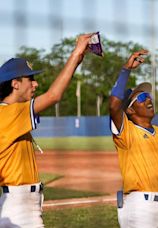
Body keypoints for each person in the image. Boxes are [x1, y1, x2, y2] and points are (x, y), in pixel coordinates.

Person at [0, 33, 93, 227]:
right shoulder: (8, 114)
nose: (35, 84)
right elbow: (53, 96)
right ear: (15, 83)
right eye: (30, 79)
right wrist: (76, 55)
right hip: (18, 209)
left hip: (20, 204)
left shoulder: (9, 114)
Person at [109, 50, 158, 227]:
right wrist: (126, 69)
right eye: (142, 97)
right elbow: (114, 106)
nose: (149, 99)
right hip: (139, 206)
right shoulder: (126, 132)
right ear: (130, 110)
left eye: (148, 96)